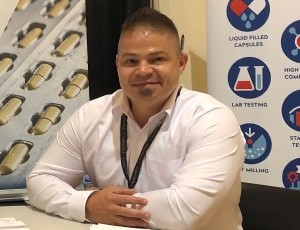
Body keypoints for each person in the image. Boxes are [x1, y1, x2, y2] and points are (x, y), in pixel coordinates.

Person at [26, 7, 245, 230]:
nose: (143, 70)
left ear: (180, 63)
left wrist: (105, 208)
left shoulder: (212, 119)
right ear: (118, 65)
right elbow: (39, 181)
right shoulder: (90, 116)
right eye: (131, 61)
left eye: (157, 59)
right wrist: (88, 203)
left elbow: (184, 211)